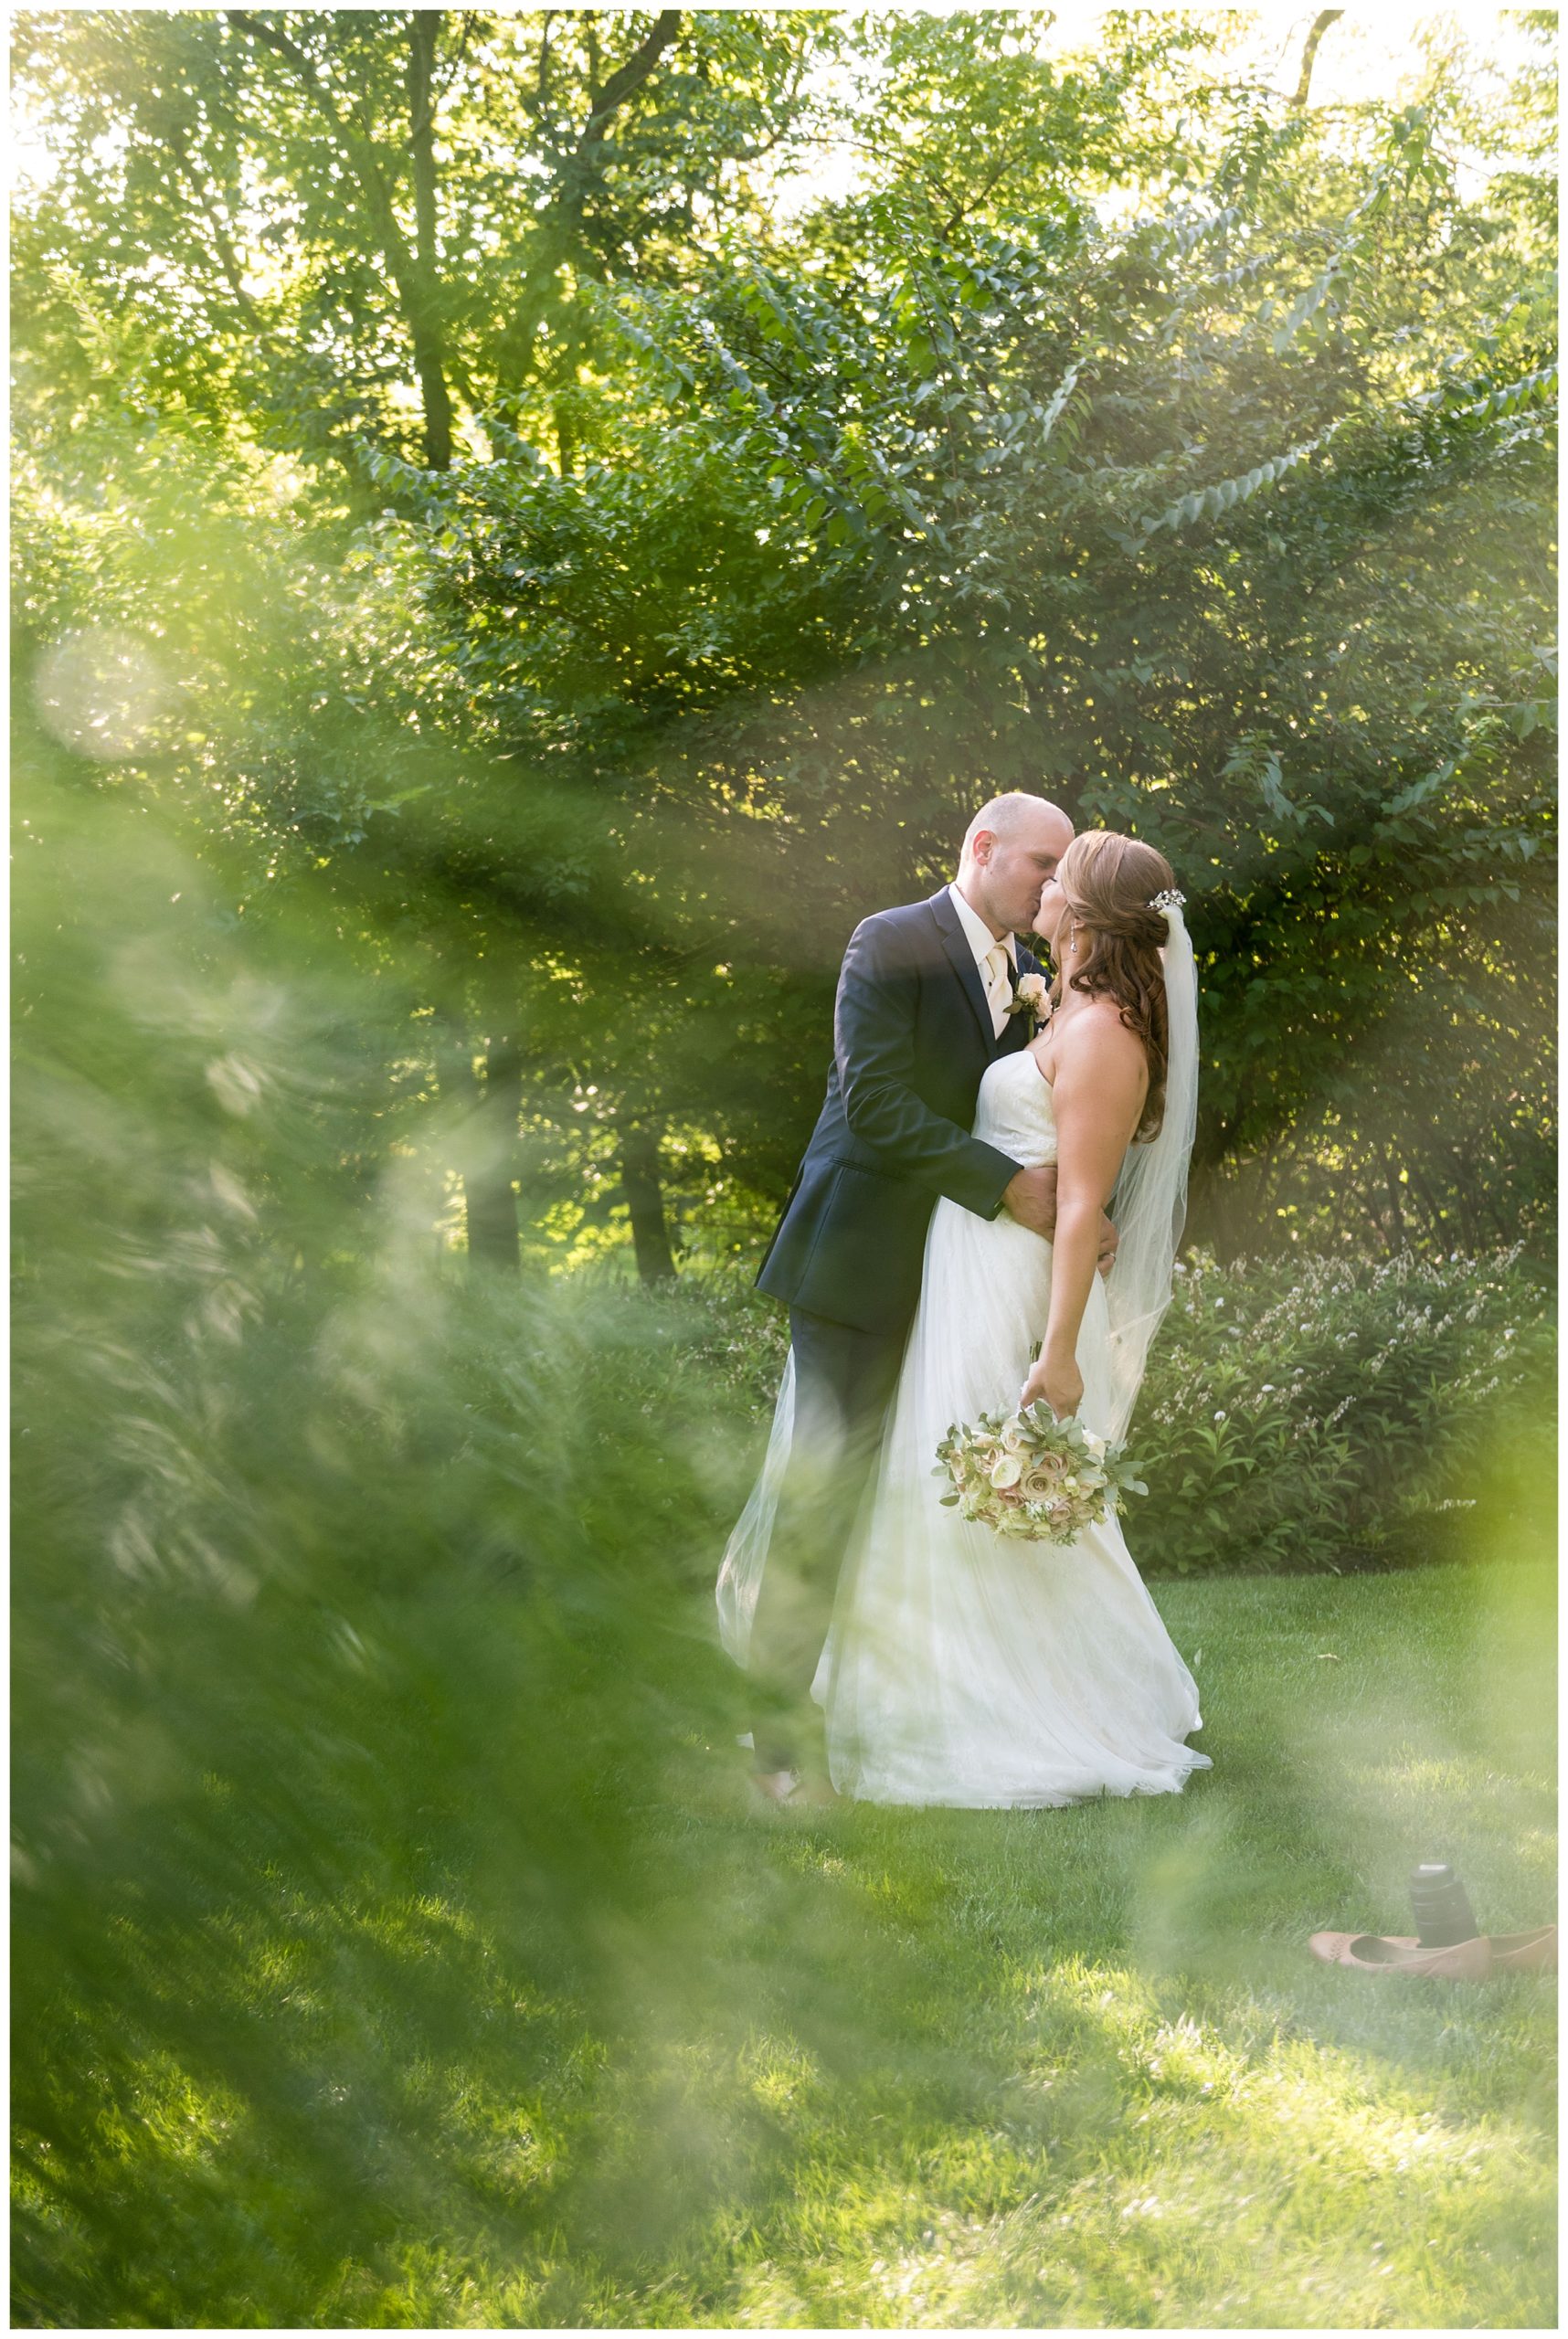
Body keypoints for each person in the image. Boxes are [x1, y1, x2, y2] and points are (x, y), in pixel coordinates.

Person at [719, 826, 1207, 1808]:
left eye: (1064, 876)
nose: (1048, 888)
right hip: (869, 1265)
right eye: (1044, 863)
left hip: (980, 1285)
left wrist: (1067, 1224)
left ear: (1091, 914)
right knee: (831, 1496)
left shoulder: (1060, 991)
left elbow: (1075, 1143)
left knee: (955, 1502)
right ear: (988, 848)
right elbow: (876, 1105)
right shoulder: (894, 941)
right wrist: (1010, 1189)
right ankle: (778, 1738)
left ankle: (971, 1704)